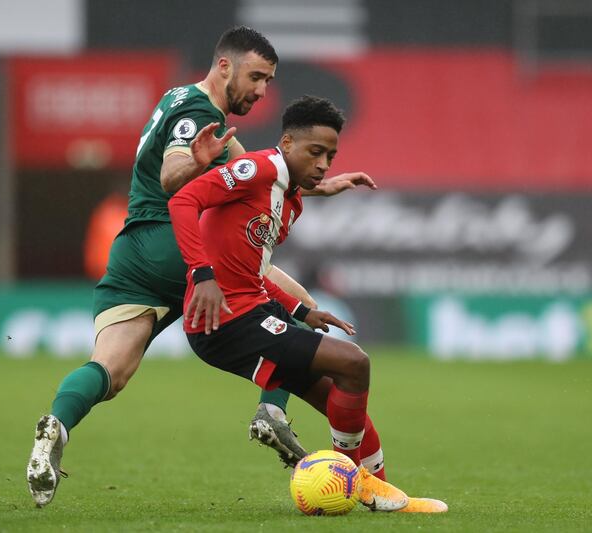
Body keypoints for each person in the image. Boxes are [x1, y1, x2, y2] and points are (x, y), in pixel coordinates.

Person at [26, 26, 375, 507]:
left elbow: (261, 169)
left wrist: (322, 184)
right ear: (224, 66)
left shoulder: (178, 98)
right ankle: (273, 408)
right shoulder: (200, 111)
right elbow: (175, 176)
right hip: (175, 241)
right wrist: (194, 163)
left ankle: (57, 425)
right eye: (256, 77)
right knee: (277, 294)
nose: (261, 91)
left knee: (111, 369)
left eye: (269, 81)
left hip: (131, 254)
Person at [168, 95, 448, 513]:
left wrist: (301, 311)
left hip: (250, 310)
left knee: (340, 392)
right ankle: (356, 480)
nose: (323, 164)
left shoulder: (289, 198)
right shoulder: (258, 168)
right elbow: (183, 200)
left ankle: (382, 493)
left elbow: (251, 267)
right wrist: (201, 274)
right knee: (354, 363)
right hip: (225, 318)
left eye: (330, 156)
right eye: (315, 152)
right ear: (286, 142)